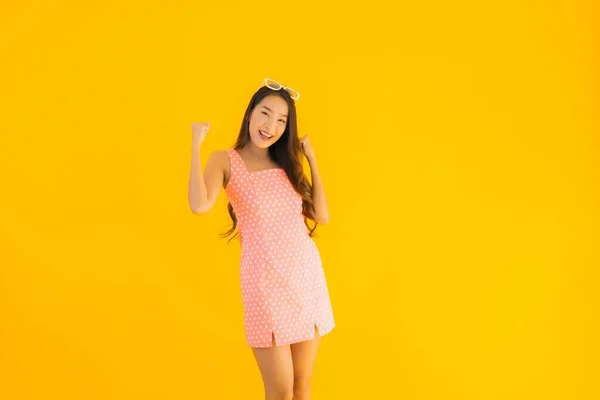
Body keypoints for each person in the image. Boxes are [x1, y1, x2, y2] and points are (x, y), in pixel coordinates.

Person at [188, 78, 335, 400]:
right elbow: (200, 205)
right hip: (265, 286)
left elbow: (321, 216)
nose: (271, 126)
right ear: (250, 113)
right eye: (266, 113)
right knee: (280, 392)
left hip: (305, 279)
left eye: (282, 120)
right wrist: (196, 146)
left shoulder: (286, 163)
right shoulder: (225, 160)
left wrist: (311, 159)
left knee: (302, 387)